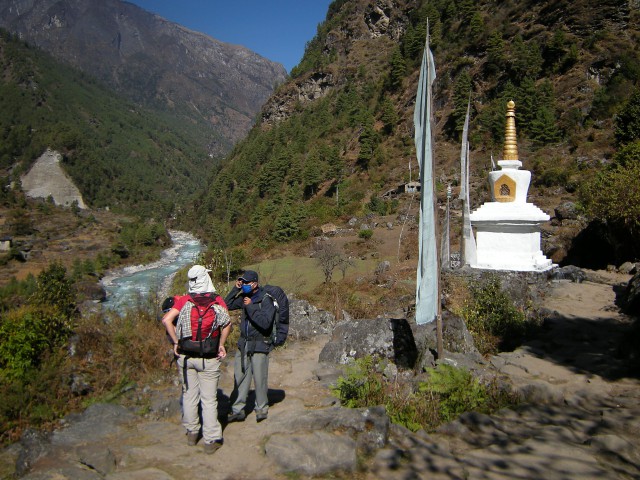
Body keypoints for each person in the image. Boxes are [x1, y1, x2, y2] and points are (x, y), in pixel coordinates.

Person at [161, 265, 231, 454]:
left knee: (189, 396)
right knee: (209, 400)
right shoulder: (217, 301)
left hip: (185, 356)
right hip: (208, 357)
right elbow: (226, 323)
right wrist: (221, 344)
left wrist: (176, 342)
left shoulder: (184, 300)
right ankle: (211, 440)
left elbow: (167, 320)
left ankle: (192, 433)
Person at [225, 270, 277, 423]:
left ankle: (261, 408)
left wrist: (251, 307)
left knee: (260, 378)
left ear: (255, 283)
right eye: (243, 282)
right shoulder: (244, 297)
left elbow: (266, 323)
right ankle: (238, 410)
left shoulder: (266, 300)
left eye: (246, 282)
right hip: (244, 343)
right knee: (240, 376)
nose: (244, 285)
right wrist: (236, 288)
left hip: (260, 343)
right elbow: (226, 304)